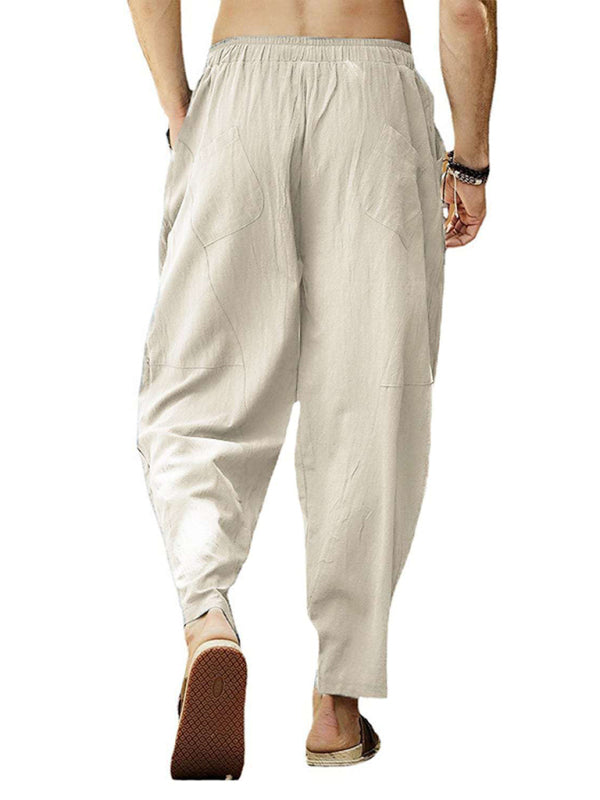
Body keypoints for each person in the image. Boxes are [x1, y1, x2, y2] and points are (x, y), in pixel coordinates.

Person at [129, 0, 497, 780]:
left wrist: (181, 111)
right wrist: (471, 162)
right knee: (369, 401)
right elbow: (466, 12)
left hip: (237, 95)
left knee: (193, 393)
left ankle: (207, 617)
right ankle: (337, 704)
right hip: (373, 101)